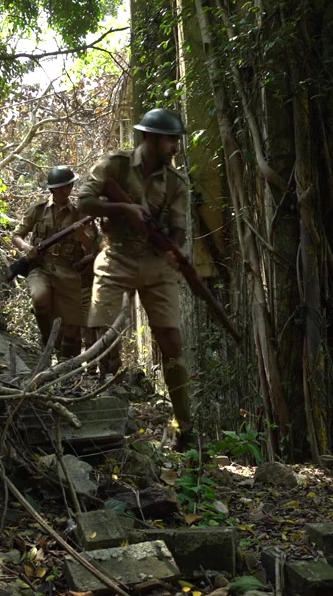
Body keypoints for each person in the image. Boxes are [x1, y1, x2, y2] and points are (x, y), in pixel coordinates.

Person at [73, 107, 194, 450]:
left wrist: (174, 249)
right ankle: (102, 418)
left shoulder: (176, 182)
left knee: (172, 343)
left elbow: (179, 228)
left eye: (176, 140)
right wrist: (123, 209)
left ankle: (185, 427)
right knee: (104, 335)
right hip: (116, 255)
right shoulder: (115, 164)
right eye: (169, 140)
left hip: (156, 263)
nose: (174, 146)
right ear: (150, 138)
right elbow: (84, 202)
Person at [12, 165, 98, 361]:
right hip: (41, 267)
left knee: (70, 329)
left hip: (68, 272)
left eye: (70, 186)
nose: (68, 190)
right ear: (55, 189)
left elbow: (92, 246)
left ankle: (66, 364)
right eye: (65, 186)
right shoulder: (38, 210)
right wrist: (27, 248)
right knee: (40, 298)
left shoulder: (79, 213)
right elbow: (17, 235)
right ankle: (46, 339)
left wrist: (81, 234)